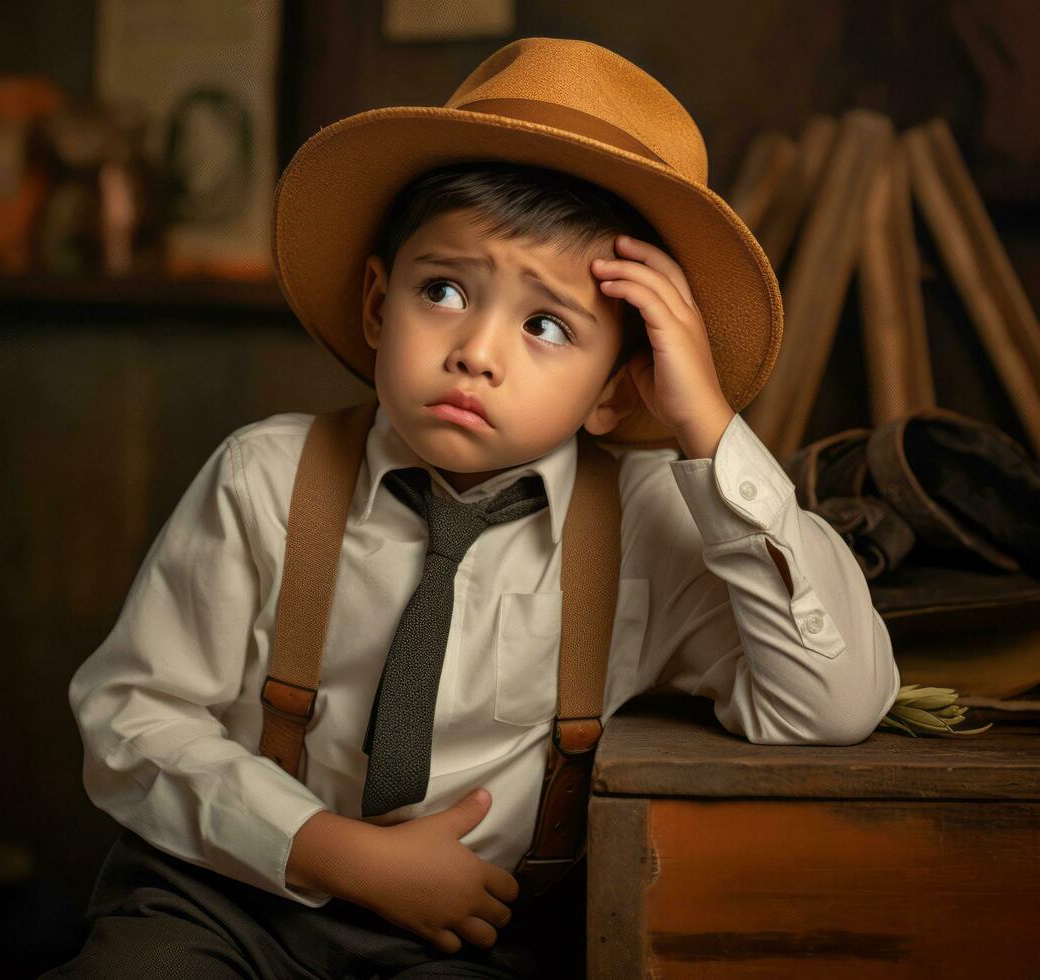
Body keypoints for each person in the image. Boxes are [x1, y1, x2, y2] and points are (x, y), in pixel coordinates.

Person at [45, 37, 902, 979]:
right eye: (443, 291)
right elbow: (130, 716)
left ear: (620, 388)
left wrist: (707, 426)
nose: (477, 352)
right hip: (233, 894)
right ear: (378, 306)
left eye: (546, 326)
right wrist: (331, 849)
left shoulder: (655, 524)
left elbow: (833, 704)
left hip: (472, 935)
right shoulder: (266, 476)